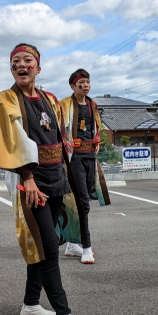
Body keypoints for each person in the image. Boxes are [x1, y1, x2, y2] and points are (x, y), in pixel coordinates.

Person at [0, 43, 86, 315]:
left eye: (27, 60)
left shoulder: (50, 99)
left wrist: (66, 151)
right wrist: (28, 177)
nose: (21, 65)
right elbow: (13, 138)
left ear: (38, 67)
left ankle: (31, 303)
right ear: (11, 69)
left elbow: (59, 133)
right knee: (47, 248)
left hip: (55, 178)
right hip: (30, 181)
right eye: (15, 61)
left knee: (46, 243)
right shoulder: (6, 98)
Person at [59, 69, 111, 264]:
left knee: (82, 200)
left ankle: (72, 245)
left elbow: (96, 127)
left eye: (88, 82)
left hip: (89, 156)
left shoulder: (92, 105)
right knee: (82, 202)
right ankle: (86, 246)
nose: (86, 86)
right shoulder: (64, 104)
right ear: (73, 86)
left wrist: (97, 140)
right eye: (82, 83)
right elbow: (59, 127)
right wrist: (65, 141)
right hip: (74, 158)